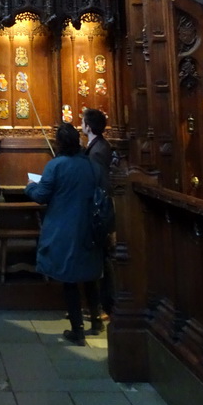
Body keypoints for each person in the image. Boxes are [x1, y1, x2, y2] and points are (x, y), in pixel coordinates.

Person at [25, 122, 104, 346]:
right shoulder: (90, 165)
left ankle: (77, 329)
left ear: (58, 143)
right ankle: (97, 321)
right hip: (89, 226)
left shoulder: (56, 166)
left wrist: (29, 186)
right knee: (90, 275)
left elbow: (41, 195)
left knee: (69, 277)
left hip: (65, 227)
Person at [82, 107, 115, 320]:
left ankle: (105, 307)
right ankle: (98, 306)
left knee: (102, 259)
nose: (80, 125)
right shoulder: (99, 146)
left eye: (83, 122)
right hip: (101, 207)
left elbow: (99, 182)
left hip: (99, 210)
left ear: (89, 126)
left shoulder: (96, 152)